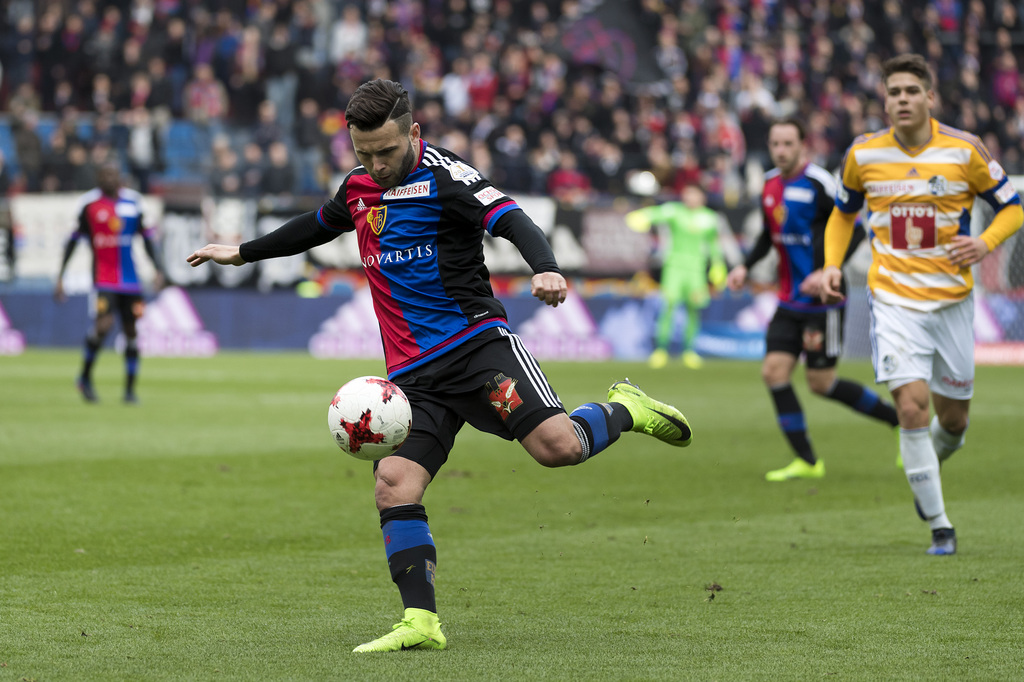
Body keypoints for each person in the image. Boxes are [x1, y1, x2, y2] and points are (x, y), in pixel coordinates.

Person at [186, 79, 693, 652]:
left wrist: (545, 266)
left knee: (559, 449)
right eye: (363, 154)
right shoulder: (357, 189)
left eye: (386, 151)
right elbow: (316, 225)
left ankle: (625, 407)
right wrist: (243, 250)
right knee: (394, 483)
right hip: (411, 378)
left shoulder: (447, 177)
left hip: (477, 348)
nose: (376, 165)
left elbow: (512, 218)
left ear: (414, 133)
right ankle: (421, 622)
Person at [821, 54, 1023, 555]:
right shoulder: (863, 154)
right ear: (884, 100)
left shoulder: (965, 150)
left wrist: (985, 242)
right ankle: (939, 525)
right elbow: (843, 215)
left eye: (912, 91)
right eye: (894, 92)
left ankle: (925, 467)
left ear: (930, 97)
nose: (902, 100)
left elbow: (1013, 207)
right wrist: (830, 263)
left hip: (952, 302)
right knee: (910, 406)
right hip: (892, 299)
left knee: (953, 422)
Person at [726, 118, 899, 482]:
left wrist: (827, 269)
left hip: (824, 300)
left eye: (788, 143)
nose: (781, 150)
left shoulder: (821, 183)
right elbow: (768, 238)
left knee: (821, 383)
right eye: (776, 144)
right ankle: (807, 460)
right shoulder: (770, 185)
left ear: (803, 145)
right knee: (774, 373)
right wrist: (744, 266)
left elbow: (855, 228)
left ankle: (900, 420)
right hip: (789, 301)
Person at [55, 162, 167, 403]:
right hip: (104, 279)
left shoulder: (133, 204)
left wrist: (158, 269)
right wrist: (61, 276)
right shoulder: (90, 206)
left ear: (120, 177)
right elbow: (73, 241)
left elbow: (146, 240)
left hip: (131, 280)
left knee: (132, 332)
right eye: (105, 174)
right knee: (103, 326)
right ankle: (84, 377)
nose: (109, 178)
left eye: (113, 174)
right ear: (97, 178)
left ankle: (129, 391)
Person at [626, 184, 726, 369]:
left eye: (693, 194)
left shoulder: (710, 218)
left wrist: (718, 265)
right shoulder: (675, 211)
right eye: (687, 194)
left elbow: (714, 245)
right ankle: (661, 350)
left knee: (693, 309)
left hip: (696, 269)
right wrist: (643, 216)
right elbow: (657, 213)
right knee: (668, 307)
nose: (689, 198)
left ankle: (689, 351)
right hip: (674, 267)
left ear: (702, 197)